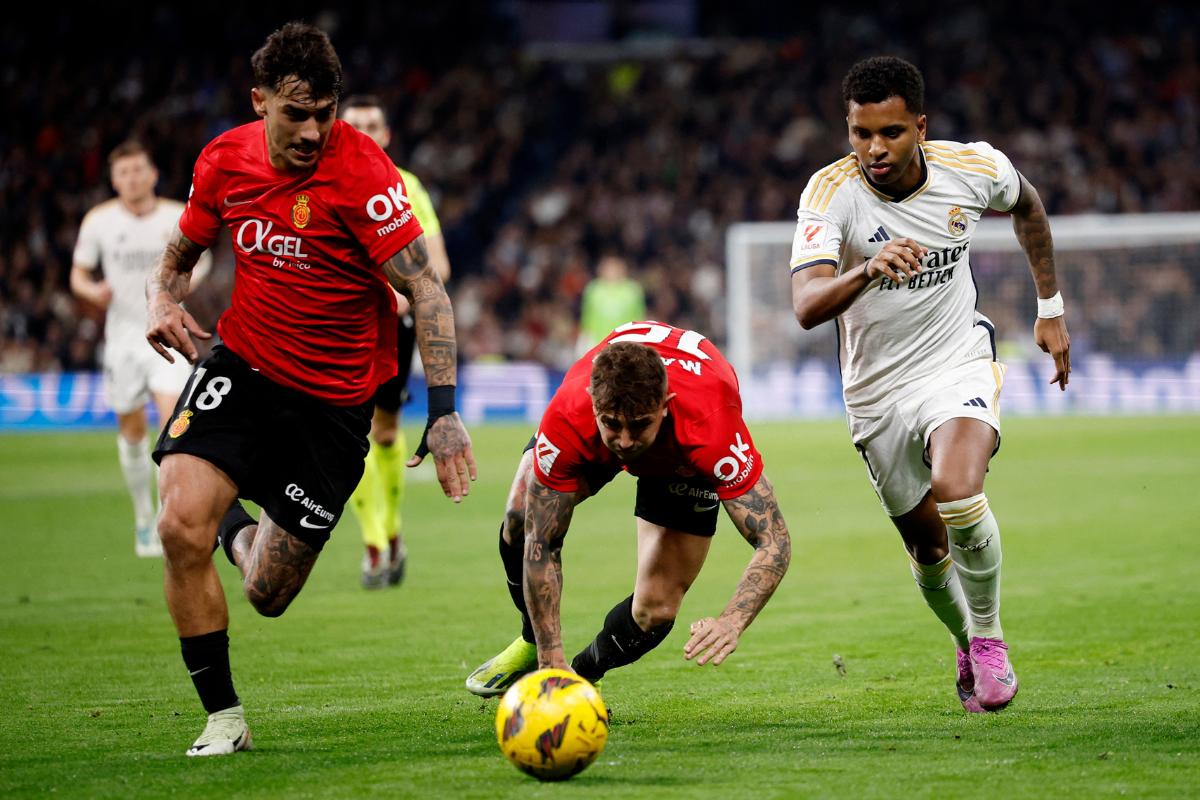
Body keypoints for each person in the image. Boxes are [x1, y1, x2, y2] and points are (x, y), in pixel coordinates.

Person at [144, 22, 476, 757]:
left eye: (325, 112)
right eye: (296, 113)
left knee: (266, 591)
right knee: (176, 527)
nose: (314, 130)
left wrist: (445, 413)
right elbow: (177, 257)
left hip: (332, 405)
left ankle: (237, 530)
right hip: (243, 368)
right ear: (258, 101)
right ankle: (224, 719)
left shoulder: (364, 174)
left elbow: (426, 289)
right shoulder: (223, 160)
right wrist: (161, 301)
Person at [789, 56, 1070, 712]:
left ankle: (992, 640)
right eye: (860, 134)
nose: (874, 149)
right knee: (926, 545)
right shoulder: (830, 195)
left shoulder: (971, 169)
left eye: (890, 132)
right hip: (876, 391)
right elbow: (805, 306)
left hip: (956, 360)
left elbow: (1026, 204)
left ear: (920, 126)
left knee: (958, 490)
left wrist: (1050, 308)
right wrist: (866, 270)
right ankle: (967, 638)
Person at [466, 321, 791, 696]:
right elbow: (543, 544)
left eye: (639, 425)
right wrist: (548, 660)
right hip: (597, 433)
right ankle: (531, 643)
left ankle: (580, 679)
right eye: (612, 425)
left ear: (666, 406)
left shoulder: (710, 426)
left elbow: (774, 541)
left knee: (656, 611)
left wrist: (732, 621)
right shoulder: (569, 412)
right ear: (592, 402)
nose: (624, 441)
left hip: (676, 458)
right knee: (520, 516)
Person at [71, 140, 211, 557]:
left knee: (174, 423)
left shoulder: (174, 216)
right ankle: (143, 518)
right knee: (132, 432)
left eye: (138, 170)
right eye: (123, 172)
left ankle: (172, 516)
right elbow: (78, 274)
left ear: (152, 174)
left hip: (167, 331)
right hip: (123, 340)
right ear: (114, 179)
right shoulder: (99, 221)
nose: (132, 178)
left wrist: (176, 291)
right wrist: (92, 290)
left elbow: (199, 260)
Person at [339, 94, 453, 589]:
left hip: (393, 326)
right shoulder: (323, 183)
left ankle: (393, 534)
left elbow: (439, 265)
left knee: (384, 434)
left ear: (385, 135)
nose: (364, 131)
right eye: (354, 124)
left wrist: (406, 290)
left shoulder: (406, 186)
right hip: (340, 327)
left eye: (372, 124)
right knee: (348, 434)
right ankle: (373, 544)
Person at [576, 254, 646, 353]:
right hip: (597, 340)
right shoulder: (593, 289)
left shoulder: (632, 290)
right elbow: (586, 315)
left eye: (615, 268)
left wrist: (637, 338)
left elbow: (639, 315)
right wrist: (585, 337)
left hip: (624, 341)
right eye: (608, 268)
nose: (612, 271)